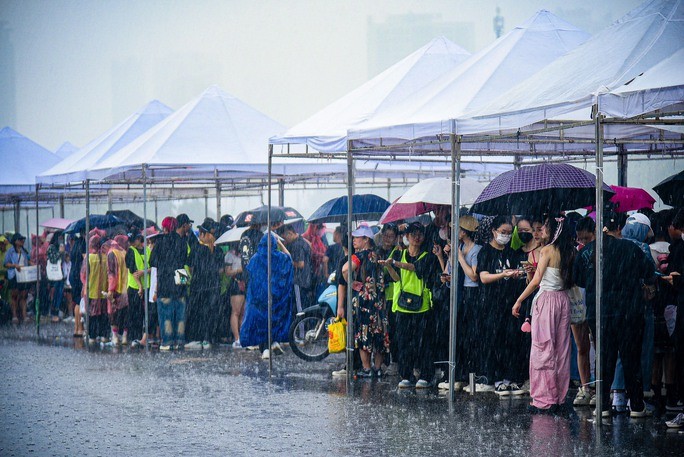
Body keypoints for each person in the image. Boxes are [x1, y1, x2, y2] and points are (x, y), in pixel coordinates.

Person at [574, 211, 656, 418]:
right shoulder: (632, 249)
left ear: (597, 230)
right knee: (631, 358)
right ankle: (636, 405)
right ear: (619, 228)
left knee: (604, 358)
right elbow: (648, 274)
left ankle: (603, 405)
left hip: (599, 313)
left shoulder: (587, 252)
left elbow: (579, 280)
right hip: (629, 311)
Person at [513, 216, 575, 413]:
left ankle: (543, 398)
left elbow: (536, 281)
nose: (541, 232)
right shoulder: (570, 252)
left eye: (545, 229)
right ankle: (559, 397)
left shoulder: (547, 250)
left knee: (543, 349)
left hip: (547, 301)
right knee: (562, 350)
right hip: (564, 300)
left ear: (555, 231)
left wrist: (519, 300)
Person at [383, 222, 440, 389]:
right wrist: (389, 266)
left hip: (421, 305)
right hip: (401, 305)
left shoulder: (427, 256)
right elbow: (396, 278)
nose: (417, 237)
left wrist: (395, 263)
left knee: (423, 342)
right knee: (404, 342)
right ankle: (406, 374)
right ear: (406, 237)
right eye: (413, 234)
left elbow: (416, 268)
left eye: (420, 233)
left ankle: (425, 374)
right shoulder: (398, 254)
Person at [475, 216, 525, 394]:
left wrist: (517, 274)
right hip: (490, 305)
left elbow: (516, 272)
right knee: (493, 341)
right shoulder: (485, 252)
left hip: (509, 304)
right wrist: (503, 274)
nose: (506, 236)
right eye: (503, 232)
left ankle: (509, 376)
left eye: (509, 233)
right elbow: (483, 277)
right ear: (494, 231)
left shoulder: (511, 252)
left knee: (509, 341)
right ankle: (494, 378)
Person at [437, 215, 482, 390]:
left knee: (470, 337)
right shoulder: (459, 247)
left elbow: (473, 275)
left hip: (471, 294)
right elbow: (449, 272)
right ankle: (457, 374)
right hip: (458, 294)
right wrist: (447, 256)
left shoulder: (476, 250)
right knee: (457, 335)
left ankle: (470, 377)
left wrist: (459, 256)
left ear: (463, 232)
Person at [340, 224, 389, 377]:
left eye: (357, 238)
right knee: (380, 333)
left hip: (364, 301)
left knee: (364, 334)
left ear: (366, 239)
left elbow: (344, 269)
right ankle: (378, 368)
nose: (354, 241)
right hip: (380, 300)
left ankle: (367, 369)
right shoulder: (379, 254)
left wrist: (351, 282)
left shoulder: (358, 256)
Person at [240, 233, 293, 360]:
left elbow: (250, 274)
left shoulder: (256, 258)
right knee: (274, 320)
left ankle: (265, 348)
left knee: (261, 323)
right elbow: (289, 259)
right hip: (275, 297)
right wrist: (280, 243)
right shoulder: (279, 257)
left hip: (260, 298)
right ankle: (274, 342)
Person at [150, 215, 190, 351]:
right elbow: (184, 260)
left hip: (165, 281)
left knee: (166, 314)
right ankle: (179, 340)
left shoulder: (160, 242)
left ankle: (167, 341)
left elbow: (152, 262)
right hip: (180, 279)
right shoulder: (182, 242)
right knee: (180, 314)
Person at [186, 218, 225, 350]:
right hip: (212, 287)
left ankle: (201, 338)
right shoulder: (217, 251)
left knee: (200, 313)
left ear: (204, 234)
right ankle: (206, 339)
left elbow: (190, 268)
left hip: (200, 287)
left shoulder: (197, 249)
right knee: (208, 313)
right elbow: (220, 270)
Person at [571, 216, 596, 406]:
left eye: (586, 239)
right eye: (580, 239)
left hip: (595, 302)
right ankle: (585, 386)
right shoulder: (575, 254)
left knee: (597, 344)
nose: (583, 243)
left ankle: (599, 387)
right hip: (578, 303)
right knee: (581, 347)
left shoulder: (601, 251)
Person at [279, 224, 313, 315]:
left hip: (299, 281)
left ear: (289, 233)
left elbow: (301, 264)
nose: (285, 241)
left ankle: (301, 327)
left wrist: (288, 261)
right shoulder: (303, 241)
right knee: (304, 307)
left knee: (299, 309)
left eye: (285, 238)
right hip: (306, 280)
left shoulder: (296, 245)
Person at [82, 234, 109, 343]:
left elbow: (83, 276)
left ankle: (92, 336)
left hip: (91, 291)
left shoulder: (88, 258)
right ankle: (104, 336)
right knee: (103, 314)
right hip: (104, 291)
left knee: (92, 315)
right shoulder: (106, 257)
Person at [125, 233, 150, 347]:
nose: (131, 243)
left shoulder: (148, 251)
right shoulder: (130, 251)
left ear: (139, 239)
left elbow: (152, 267)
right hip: (135, 287)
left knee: (147, 313)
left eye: (133, 240)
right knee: (135, 313)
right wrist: (140, 287)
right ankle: (135, 337)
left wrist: (145, 271)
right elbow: (133, 271)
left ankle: (145, 337)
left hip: (147, 286)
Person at [106, 235, 130, 345]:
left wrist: (111, 289)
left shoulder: (112, 253)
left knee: (113, 314)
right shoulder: (125, 252)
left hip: (116, 288)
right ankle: (124, 337)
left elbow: (112, 273)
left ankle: (115, 337)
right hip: (126, 288)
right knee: (125, 314)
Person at [4, 233, 31, 324]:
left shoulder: (24, 251)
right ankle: (14, 315)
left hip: (23, 276)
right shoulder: (10, 251)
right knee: (14, 296)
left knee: (23, 296)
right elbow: (6, 263)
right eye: (20, 240)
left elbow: (28, 260)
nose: (22, 241)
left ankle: (24, 315)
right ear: (15, 241)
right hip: (14, 276)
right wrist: (14, 265)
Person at [224, 242, 245, 348]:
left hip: (245, 283)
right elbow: (227, 272)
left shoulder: (245, 253)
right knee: (236, 312)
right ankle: (237, 339)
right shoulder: (229, 255)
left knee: (243, 312)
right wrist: (239, 270)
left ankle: (242, 336)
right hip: (236, 283)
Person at [46, 231, 66, 323]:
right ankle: (54, 313)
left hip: (60, 275)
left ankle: (57, 312)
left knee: (59, 295)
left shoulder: (60, 247)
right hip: (53, 276)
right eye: (60, 238)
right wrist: (60, 252)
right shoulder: (51, 248)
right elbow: (53, 259)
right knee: (54, 295)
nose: (61, 240)